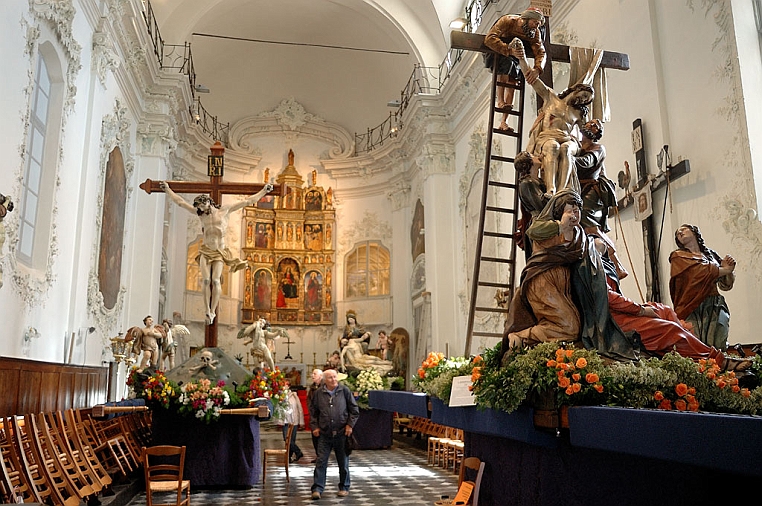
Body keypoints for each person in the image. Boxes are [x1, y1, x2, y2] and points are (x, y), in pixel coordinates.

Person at [502, 189, 639, 363]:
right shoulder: (545, 226)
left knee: (577, 326)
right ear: (559, 211)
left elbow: (588, 252)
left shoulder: (578, 233)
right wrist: (560, 226)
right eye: (570, 210)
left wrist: (597, 246)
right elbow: (532, 233)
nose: (574, 215)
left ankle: (546, 345)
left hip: (563, 286)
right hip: (542, 283)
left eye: (577, 210)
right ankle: (521, 336)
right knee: (569, 327)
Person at [599, 243, 750, 372]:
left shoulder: (706, 255)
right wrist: (641, 310)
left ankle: (693, 351)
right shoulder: (593, 266)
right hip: (612, 319)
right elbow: (609, 297)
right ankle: (718, 360)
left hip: (710, 301)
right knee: (671, 329)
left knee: (664, 310)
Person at [159, 181, 274, 324]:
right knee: (206, 280)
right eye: (199, 208)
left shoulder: (224, 210)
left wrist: (264, 191)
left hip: (219, 251)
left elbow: (247, 201)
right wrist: (168, 190)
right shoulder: (201, 215)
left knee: (215, 280)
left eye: (202, 206)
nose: (201, 209)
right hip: (206, 250)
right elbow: (181, 202)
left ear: (208, 202)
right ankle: (207, 310)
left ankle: (213, 311)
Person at [510, 40, 592, 196]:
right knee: (552, 147)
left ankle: (563, 190)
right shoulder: (551, 97)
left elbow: (587, 135)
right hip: (547, 137)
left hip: (568, 139)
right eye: (584, 95)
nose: (583, 100)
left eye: (586, 99)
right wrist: (522, 59)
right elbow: (532, 79)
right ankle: (551, 188)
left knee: (566, 148)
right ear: (577, 90)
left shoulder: (578, 113)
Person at [574, 119, 628, 279]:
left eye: (595, 126)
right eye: (589, 124)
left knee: (588, 224)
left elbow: (586, 163)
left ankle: (616, 263)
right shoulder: (578, 146)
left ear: (597, 134)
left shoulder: (598, 148)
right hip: (579, 190)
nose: (591, 126)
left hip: (591, 192)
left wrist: (567, 158)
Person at [669, 224, 736, 351]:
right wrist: (725, 269)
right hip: (692, 305)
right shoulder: (678, 256)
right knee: (697, 342)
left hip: (714, 302)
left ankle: (718, 367)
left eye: (683, 229)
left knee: (719, 337)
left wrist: (729, 270)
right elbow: (699, 271)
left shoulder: (711, 255)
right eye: (678, 233)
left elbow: (725, 285)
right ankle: (705, 369)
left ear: (694, 232)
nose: (680, 233)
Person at [483, 8, 546, 132]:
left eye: (538, 24)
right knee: (505, 70)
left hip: (516, 57)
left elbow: (540, 52)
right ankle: (500, 101)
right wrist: (508, 50)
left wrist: (537, 69)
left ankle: (504, 121)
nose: (536, 26)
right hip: (499, 53)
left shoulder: (535, 33)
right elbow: (489, 39)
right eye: (535, 22)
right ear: (526, 19)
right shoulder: (508, 21)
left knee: (514, 79)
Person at [309, 369, 359, 500]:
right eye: (330, 378)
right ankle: (317, 488)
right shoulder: (319, 393)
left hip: (341, 433)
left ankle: (344, 487)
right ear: (325, 380)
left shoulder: (345, 391)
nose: (334, 380)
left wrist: (350, 425)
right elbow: (313, 412)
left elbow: (354, 410)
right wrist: (314, 426)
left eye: (335, 377)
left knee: (343, 462)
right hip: (325, 434)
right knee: (321, 462)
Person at [514, 150, 549, 259]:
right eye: (533, 156)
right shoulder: (527, 183)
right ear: (528, 163)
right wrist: (553, 195)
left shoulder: (536, 180)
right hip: (539, 220)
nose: (537, 156)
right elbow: (541, 205)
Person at [281, 381, 305, 463]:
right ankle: (298, 452)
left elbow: (299, 408)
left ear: (288, 386)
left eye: (285, 385)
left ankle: (289, 457)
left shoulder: (294, 396)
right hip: (285, 421)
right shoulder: (281, 396)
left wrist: (301, 421)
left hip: (294, 420)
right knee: (286, 438)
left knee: (292, 440)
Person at [306, 368, 324, 463]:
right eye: (312, 374)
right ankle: (318, 455)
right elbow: (309, 400)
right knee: (315, 437)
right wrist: (311, 409)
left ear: (321, 376)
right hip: (314, 417)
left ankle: (322, 456)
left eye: (315, 374)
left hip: (322, 417)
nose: (312, 375)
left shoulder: (324, 387)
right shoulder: (312, 387)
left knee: (322, 438)